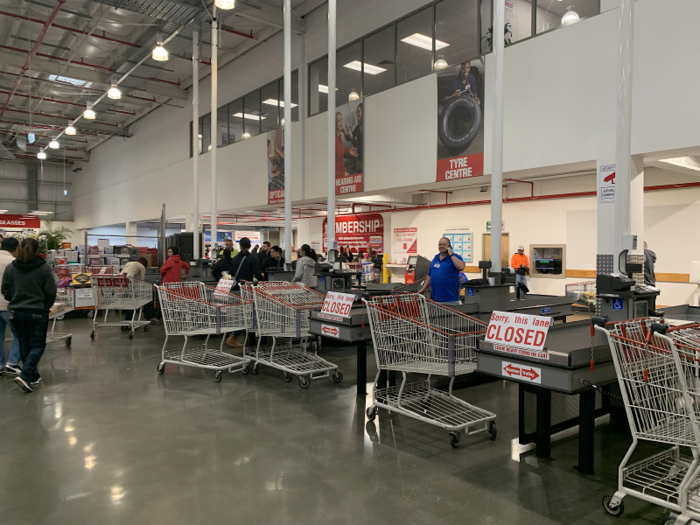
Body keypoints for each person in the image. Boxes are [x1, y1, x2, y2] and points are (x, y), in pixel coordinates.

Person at [1, 238, 57, 392]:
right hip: (37, 312)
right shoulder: (44, 268)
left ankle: (32, 375)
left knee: (24, 344)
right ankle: (25, 375)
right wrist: (45, 306)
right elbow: (51, 291)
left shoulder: (11, 268)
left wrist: (15, 300)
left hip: (17, 311)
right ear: (37, 250)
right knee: (38, 345)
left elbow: (5, 289)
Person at [226, 238, 263, 347]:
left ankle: (235, 336)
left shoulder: (235, 258)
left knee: (240, 314)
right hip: (246, 290)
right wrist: (263, 282)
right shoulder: (252, 258)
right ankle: (240, 337)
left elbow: (230, 274)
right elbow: (257, 273)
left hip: (236, 290)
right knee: (248, 314)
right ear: (249, 246)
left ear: (240, 246)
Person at [418, 238, 466, 305]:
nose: (441, 246)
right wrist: (423, 289)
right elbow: (430, 275)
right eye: (440, 244)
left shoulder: (455, 257)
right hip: (435, 299)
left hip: (450, 299)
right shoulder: (435, 258)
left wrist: (451, 255)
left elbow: (461, 267)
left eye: (444, 244)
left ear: (449, 246)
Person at [0, 237, 21, 375]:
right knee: (20, 335)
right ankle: (12, 362)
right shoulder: (15, 263)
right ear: (16, 249)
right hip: (10, 305)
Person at [120, 257, 148, 329]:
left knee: (128, 303)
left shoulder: (129, 263)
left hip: (121, 282)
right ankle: (129, 323)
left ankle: (126, 322)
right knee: (132, 304)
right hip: (129, 282)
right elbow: (142, 280)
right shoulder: (142, 267)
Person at [335, 112, 358, 179]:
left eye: (341, 119)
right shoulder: (333, 139)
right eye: (339, 120)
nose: (341, 122)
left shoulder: (338, 136)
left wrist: (348, 151)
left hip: (343, 170)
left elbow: (339, 149)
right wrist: (342, 174)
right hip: (339, 174)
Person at [343, 102, 363, 173]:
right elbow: (349, 139)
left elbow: (356, 144)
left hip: (363, 159)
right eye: (356, 112)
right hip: (358, 156)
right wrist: (345, 132)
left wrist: (349, 130)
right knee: (345, 161)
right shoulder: (357, 128)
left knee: (350, 166)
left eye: (359, 112)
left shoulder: (366, 127)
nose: (357, 114)